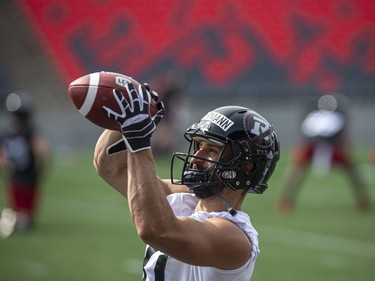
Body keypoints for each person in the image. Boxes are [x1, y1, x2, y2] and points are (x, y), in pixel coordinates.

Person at [93, 82, 280, 280]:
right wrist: (127, 118)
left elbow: (155, 230)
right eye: (198, 145)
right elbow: (110, 166)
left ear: (245, 167)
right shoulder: (185, 196)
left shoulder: (234, 238)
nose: (195, 158)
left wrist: (138, 138)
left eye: (211, 150)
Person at [278, 94, 371, 214]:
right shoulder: (338, 115)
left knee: (296, 171)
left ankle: (286, 200)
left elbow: (306, 131)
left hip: (313, 144)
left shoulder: (312, 114)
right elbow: (342, 134)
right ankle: (363, 200)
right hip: (330, 145)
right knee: (352, 171)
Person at [0, 93, 50, 237]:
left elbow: (2, 159)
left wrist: (7, 171)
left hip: (14, 178)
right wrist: (41, 171)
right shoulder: (31, 132)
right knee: (26, 218)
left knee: (19, 214)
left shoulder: (6, 133)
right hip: (29, 178)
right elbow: (43, 154)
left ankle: (13, 220)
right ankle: (17, 220)